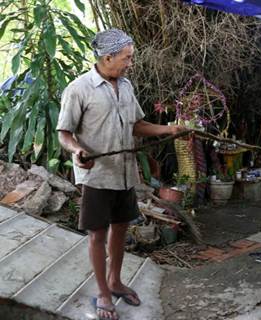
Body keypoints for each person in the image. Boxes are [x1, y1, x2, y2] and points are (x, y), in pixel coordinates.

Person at [57, 29, 181, 320]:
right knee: (98, 234)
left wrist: (168, 130)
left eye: (131, 57)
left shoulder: (125, 86)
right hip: (97, 176)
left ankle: (115, 281)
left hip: (125, 173)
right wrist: (77, 151)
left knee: (121, 228)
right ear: (108, 57)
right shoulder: (79, 88)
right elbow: (64, 132)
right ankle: (102, 292)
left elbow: (136, 125)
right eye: (127, 58)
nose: (130, 63)